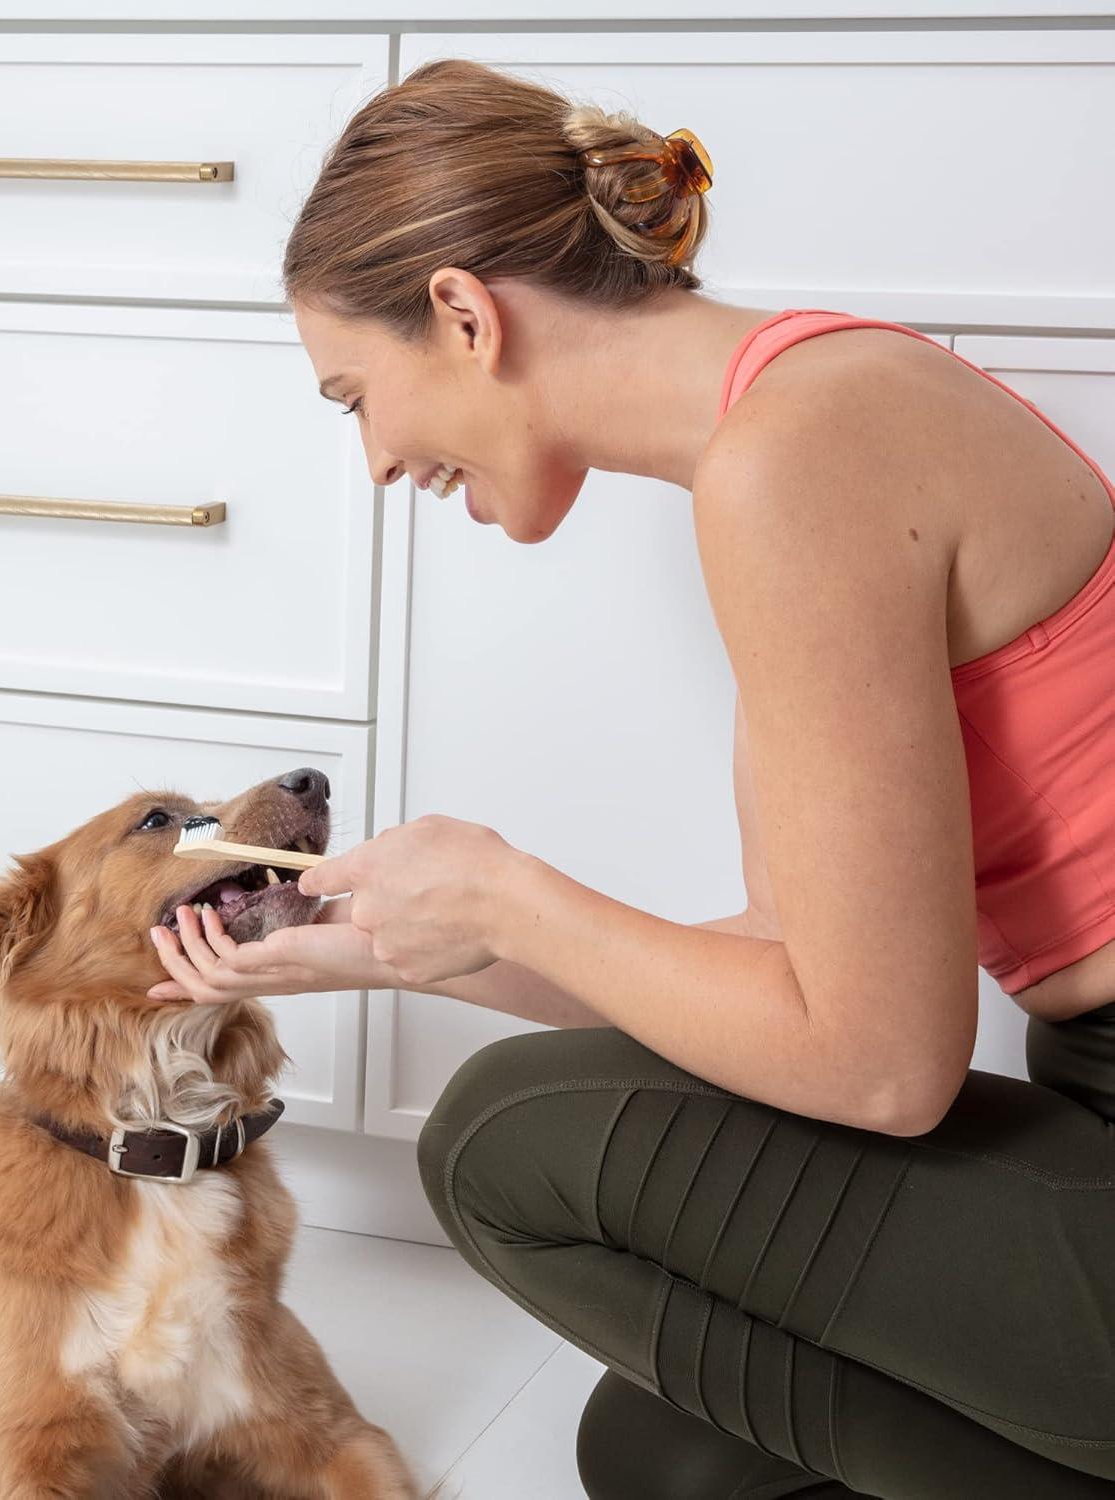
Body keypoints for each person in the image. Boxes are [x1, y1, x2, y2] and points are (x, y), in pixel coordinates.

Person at [144, 56, 1115, 1499]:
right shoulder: (796, 419)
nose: (372, 457)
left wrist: (518, 897)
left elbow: (882, 1068)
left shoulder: (800, 458)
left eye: (356, 394)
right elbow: (788, 980)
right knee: (661, 1455)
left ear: (466, 316)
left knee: (495, 1143)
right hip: (1086, 1098)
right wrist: (423, 948)